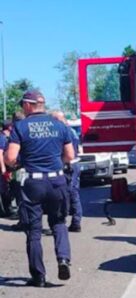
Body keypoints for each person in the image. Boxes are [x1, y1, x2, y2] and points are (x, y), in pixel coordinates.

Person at [4, 90, 75, 287]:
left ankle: (39, 276)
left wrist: (19, 163)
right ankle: (63, 259)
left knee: (33, 231)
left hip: (33, 183)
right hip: (56, 181)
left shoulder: (20, 127)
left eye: (22, 105)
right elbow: (70, 155)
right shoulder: (59, 125)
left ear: (28, 105)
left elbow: (10, 158)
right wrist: (54, 162)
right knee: (59, 223)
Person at [52, 111, 82, 232]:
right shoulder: (71, 130)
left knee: (67, 194)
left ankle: (68, 222)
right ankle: (75, 221)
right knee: (72, 193)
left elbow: (67, 152)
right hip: (73, 164)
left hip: (68, 165)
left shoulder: (63, 131)